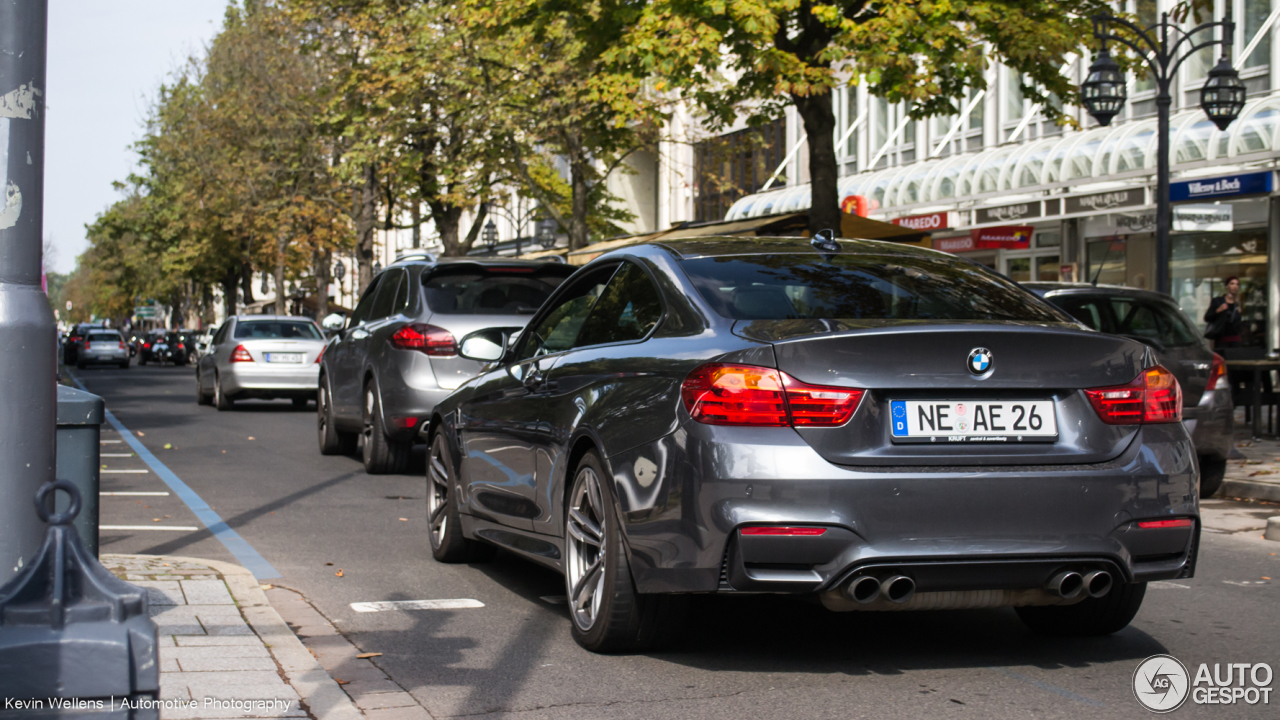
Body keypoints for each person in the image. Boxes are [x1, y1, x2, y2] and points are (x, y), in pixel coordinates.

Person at [1204, 276, 1243, 348]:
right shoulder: (1218, 301)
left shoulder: (1238, 303)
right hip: (1221, 338)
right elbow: (1207, 317)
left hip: (1235, 339)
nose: (1235, 286)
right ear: (1227, 286)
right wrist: (1218, 310)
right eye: (1232, 284)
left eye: (1237, 284)